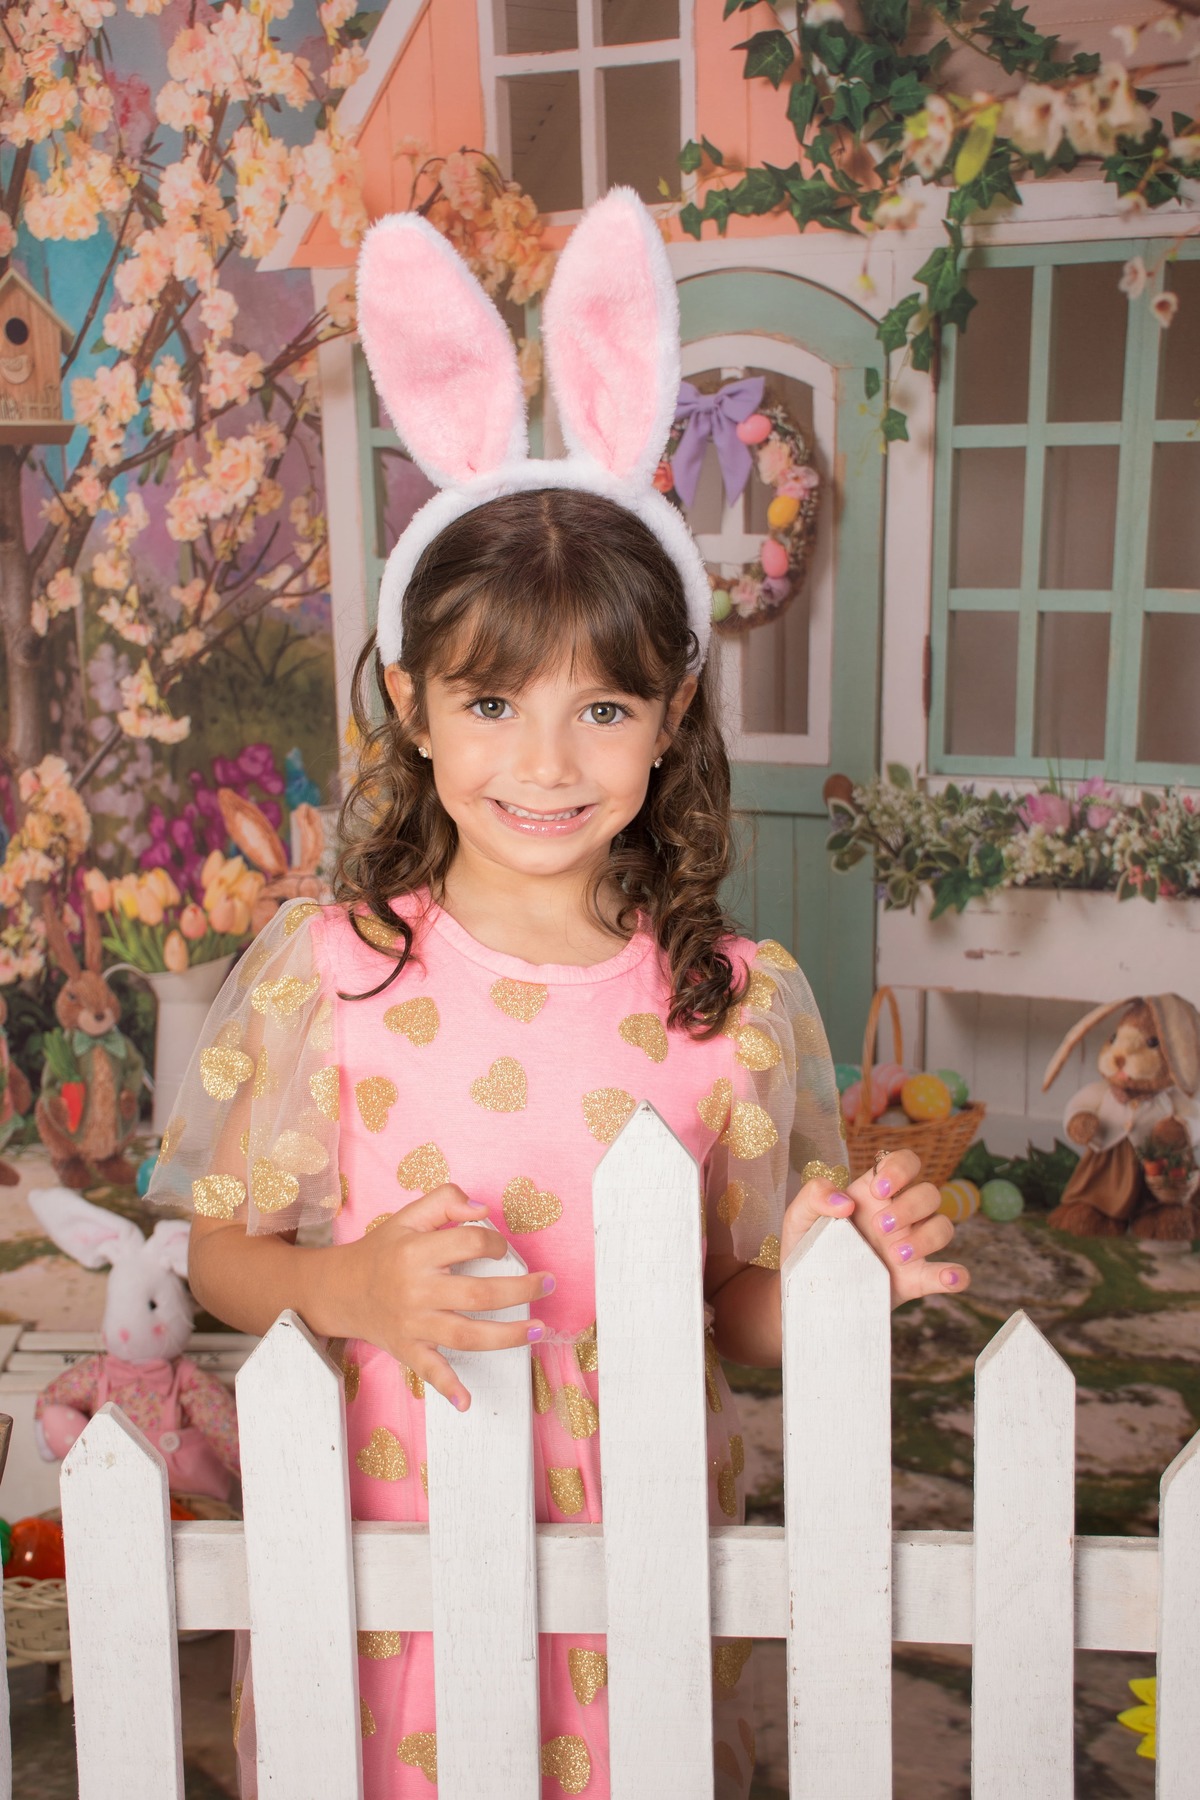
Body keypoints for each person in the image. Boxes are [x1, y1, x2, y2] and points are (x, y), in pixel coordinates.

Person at [149, 187, 970, 1799]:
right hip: (393, 1544)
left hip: (637, 1547)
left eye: (601, 707)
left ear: (672, 713)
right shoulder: (337, 971)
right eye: (489, 703)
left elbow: (734, 1307)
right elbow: (221, 1251)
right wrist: (354, 1288)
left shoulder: (730, 1003)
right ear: (412, 705)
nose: (544, 761)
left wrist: (827, 1282)